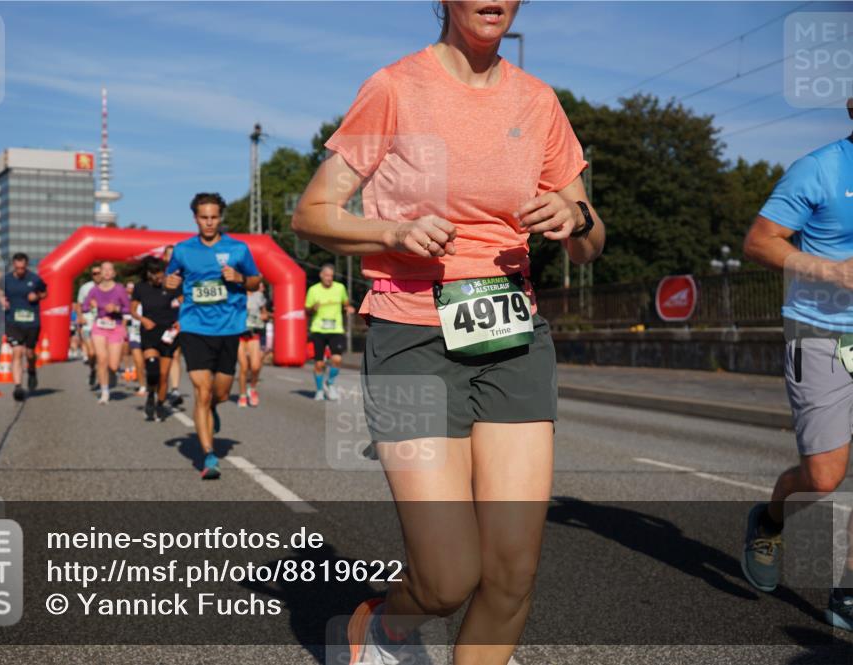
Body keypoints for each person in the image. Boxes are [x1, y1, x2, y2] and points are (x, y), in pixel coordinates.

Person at [292, 2, 604, 663]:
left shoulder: (539, 102)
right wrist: (392, 231)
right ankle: (381, 625)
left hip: (512, 335)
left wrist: (575, 219)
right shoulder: (396, 89)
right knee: (446, 577)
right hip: (411, 334)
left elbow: (591, 238)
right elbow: (312, 212)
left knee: (512, 572)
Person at [740, 99, 853, 631]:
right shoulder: (821, 167)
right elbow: (760, 240)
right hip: (820, 331)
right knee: (823, 478)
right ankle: (770, 518)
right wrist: (829, 271)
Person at [165, 192, 262, 479]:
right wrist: (170, 284)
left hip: (229, 328)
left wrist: (240, 279)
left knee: (220, 393)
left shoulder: (238, 249)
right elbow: (172, 282)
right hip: (194, 327)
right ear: (195, 218)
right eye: (204, 217)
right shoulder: (182, 250)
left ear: (221, 218)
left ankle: (213, 410)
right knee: (202, 392)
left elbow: (257, 282)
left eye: (214, 217)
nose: (209, 223)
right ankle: (209, 456)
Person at [132, 256, 182, 421]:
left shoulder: (171, 285)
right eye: (156, 274)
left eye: (162, 273)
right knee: (152, 369)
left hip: (168, 334)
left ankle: (160, 403)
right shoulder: (140, 287)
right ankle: (150, 395)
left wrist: (179, 322)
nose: (160, 277)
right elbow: (133, 310)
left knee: (163, 374)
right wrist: (144, 320)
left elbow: (184, 304)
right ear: (149, 274)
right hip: (149, 332)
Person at [82, 261, 130, 404]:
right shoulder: (94, 290)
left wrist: (116, 309)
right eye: (104, 270)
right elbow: (84, 307)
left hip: (116, 327)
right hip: (99, 326)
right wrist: (91, 305)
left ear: (114, 273)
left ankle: (112, 374)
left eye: (110, 269)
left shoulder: (120, 289)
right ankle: (104, 391)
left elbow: (128, 309)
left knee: (114, 365)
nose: (107, 272)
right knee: (101, 359)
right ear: (100, 273)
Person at [306, 263, 354, 401]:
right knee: (319, 364)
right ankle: (320, 390)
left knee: (337, 359)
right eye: (326, 275)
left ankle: (330, 383)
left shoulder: (340, 288)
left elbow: (345, 302)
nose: (329, 278)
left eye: (331, 276)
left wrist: (348, 308)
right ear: (321, 275)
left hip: (336, 329)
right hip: (318, 330)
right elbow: (307, 310)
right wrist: (313, 309)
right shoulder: (313, 290)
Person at [2, 253, 47, 401]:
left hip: (32, 322)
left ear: (26, 265)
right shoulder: (6, 279)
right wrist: (2, 300)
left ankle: (32, 370)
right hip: (13, 321)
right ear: (13, 265)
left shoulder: (35, 279)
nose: (20, 271)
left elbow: (45, 292)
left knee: (29, 353)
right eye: (17, 268)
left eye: (22, 268)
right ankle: (18, 387)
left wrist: (38, 296)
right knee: (17, 352)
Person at [238, 281, 269, 407]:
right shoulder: (237, 294)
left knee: (255, 366)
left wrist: (264, 316)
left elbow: (264, 313)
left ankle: (252, 388)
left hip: (253, 333)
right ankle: (242, 395)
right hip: (239, 334)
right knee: (244, 367)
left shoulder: (259, 296)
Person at [163, 244, 185, 409]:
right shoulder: (158, 278)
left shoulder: (185, 278)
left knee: (175, 356)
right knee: (160, 359)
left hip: (176, 323)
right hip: (159, 323)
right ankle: (158, 388)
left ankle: (175, 389)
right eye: (170, 256)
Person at [75, 264, 102, 388]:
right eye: (94, 274)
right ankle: (93, 370)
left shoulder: (109, 287)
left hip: (103, 323)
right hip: (88, 321)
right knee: (91, 353)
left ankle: (102, 378)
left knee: (101, 353)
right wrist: (80, 317)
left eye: (99, 273)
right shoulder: (85, 288)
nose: (97, 276)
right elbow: (79, 304)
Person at [125, 281, 147, 396]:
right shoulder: (132, 303)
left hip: (149, 335)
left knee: (148, 363)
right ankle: (142, 386)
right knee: (138, 362)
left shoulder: (150, 301)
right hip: (135, 335)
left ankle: (152, 385)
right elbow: (125, 317)